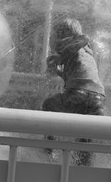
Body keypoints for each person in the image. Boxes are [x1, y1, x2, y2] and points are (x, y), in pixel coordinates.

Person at [41, 18, 105, 165]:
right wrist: (62, 74)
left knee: (49, 104)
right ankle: (84, 165)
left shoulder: (74, 45)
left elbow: (70, 49)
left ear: (66, 34)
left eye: (58, 34)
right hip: (99, 99)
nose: (55, 39)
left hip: (79, 94)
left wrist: (56, 59)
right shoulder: (87, 51)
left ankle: (48, 151)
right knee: (85, 134)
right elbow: (80, 76)